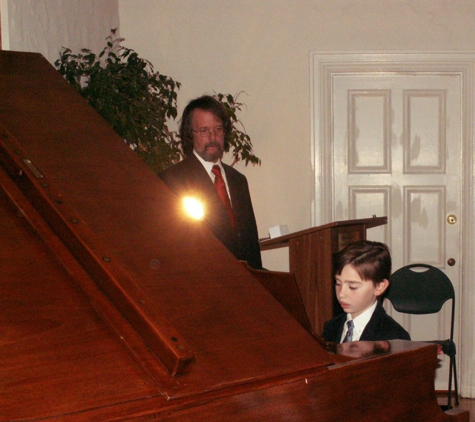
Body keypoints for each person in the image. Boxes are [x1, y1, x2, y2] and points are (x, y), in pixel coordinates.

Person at [159, 95, 262, 269]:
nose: (212, 136)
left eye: (218, 129)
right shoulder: (171, 181)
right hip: (201, 284)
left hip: (244, 284)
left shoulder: (239, 180)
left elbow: (250, 243)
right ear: (190, 135)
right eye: (204, 130)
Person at [321, 240, 410, 343]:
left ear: (379, 287)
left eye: (353, 286)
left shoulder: (394, 337)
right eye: (338, 283)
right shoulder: (331, 327)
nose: (341, 294)